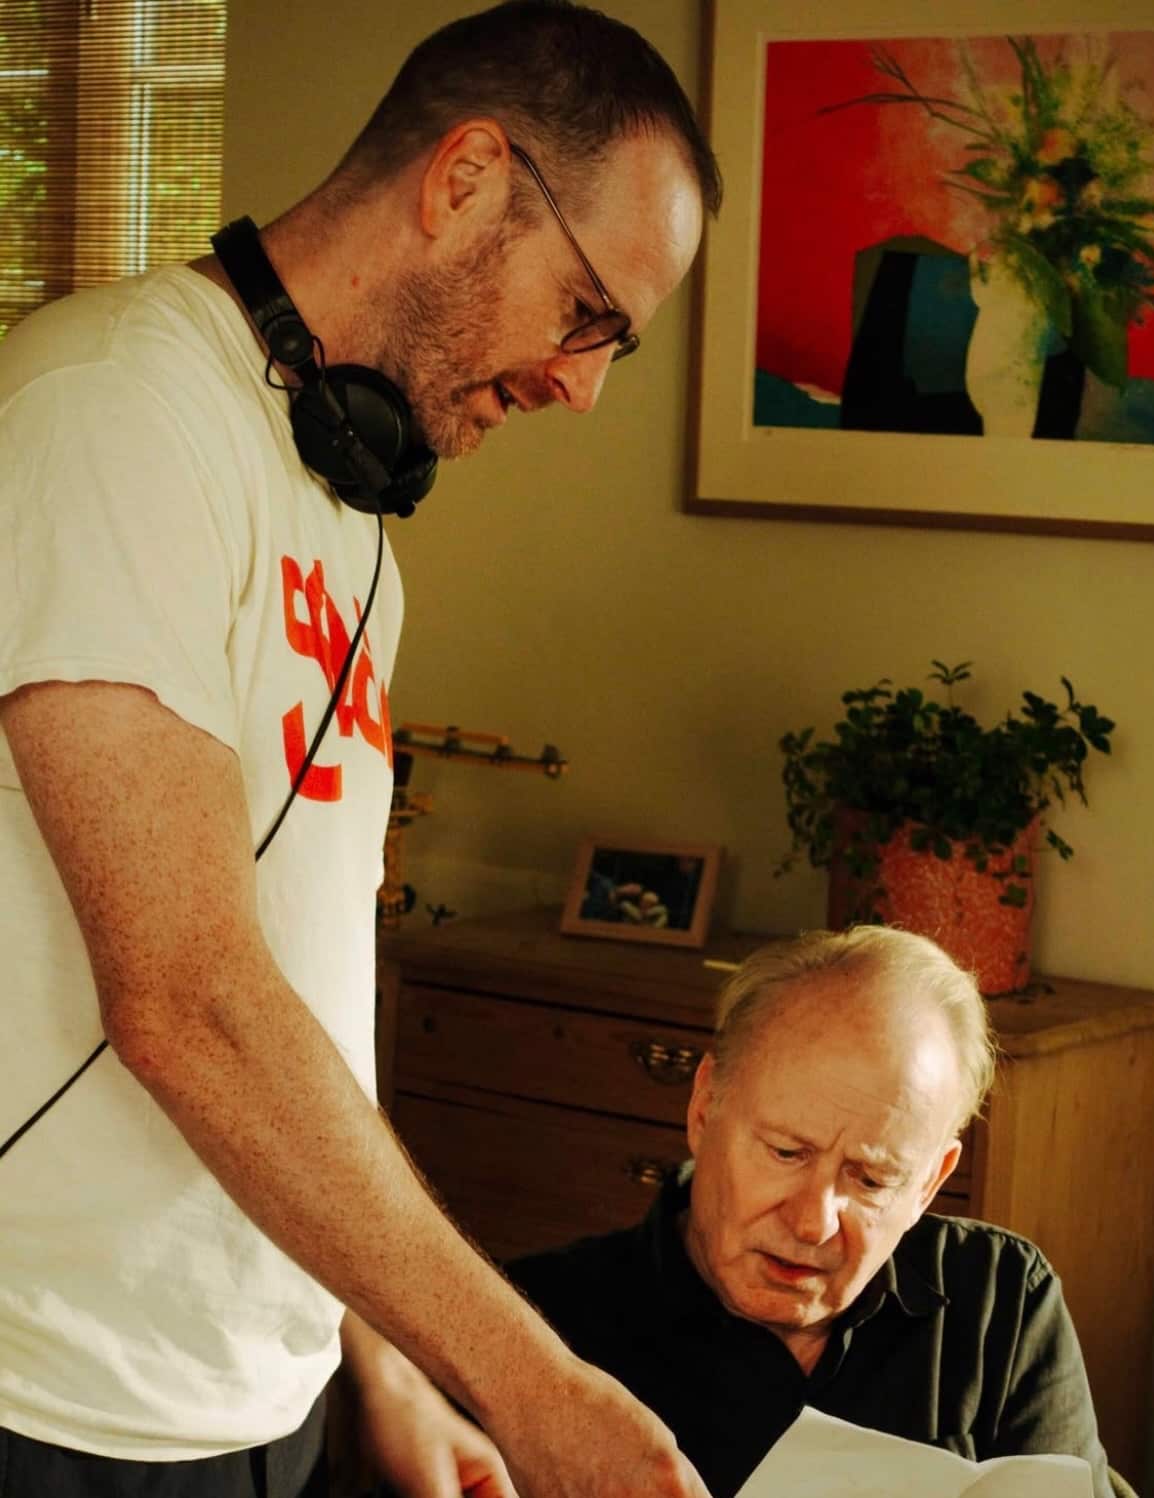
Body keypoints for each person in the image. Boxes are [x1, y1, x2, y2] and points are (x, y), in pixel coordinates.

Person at [0, 3, 721, 1496]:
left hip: (255, 1395)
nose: (583, 387)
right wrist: (527, 1381)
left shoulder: (353, 521)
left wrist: (371, 1352)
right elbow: (188, 997)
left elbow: (294, 989)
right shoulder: (113, 412)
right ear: (465, 180)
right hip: (48, 1389)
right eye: (587, 314)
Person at [507, 926, 1118, 1498]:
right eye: (786, 1152)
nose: (812, 1223)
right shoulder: (535, 1322)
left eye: (872, 1178)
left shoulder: (1003, 1299)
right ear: (703, 1108)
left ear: (930, 1182)